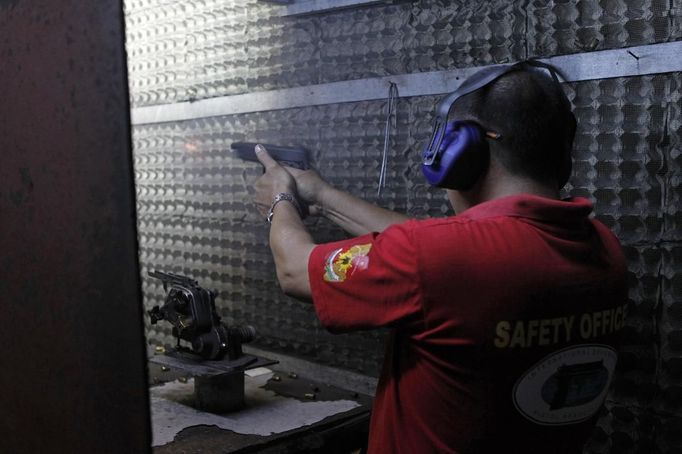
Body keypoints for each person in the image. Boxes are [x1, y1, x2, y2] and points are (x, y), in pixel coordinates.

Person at [250, 62, 628, 454]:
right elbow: (434, 251)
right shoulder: (602, 246)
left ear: (465, 148)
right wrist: (322, 196)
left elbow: (296, 269)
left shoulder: (441, 257)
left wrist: (280, 198)